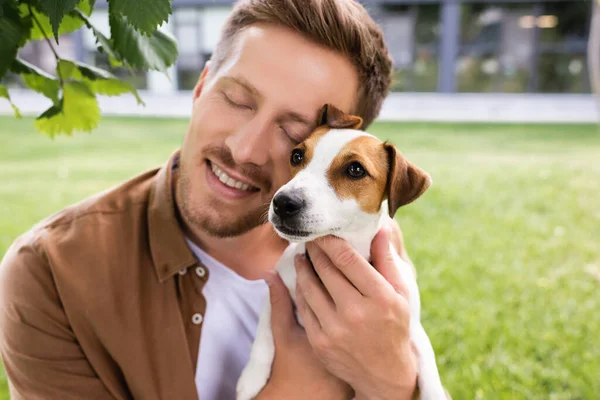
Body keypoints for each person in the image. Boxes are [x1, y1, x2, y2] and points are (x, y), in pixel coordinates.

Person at [0, 0, 448, 399]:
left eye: (295, 132)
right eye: (236, 99)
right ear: (200, 88)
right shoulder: (50, 273)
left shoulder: (374, 248)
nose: (245, 149)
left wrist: (393, 380)